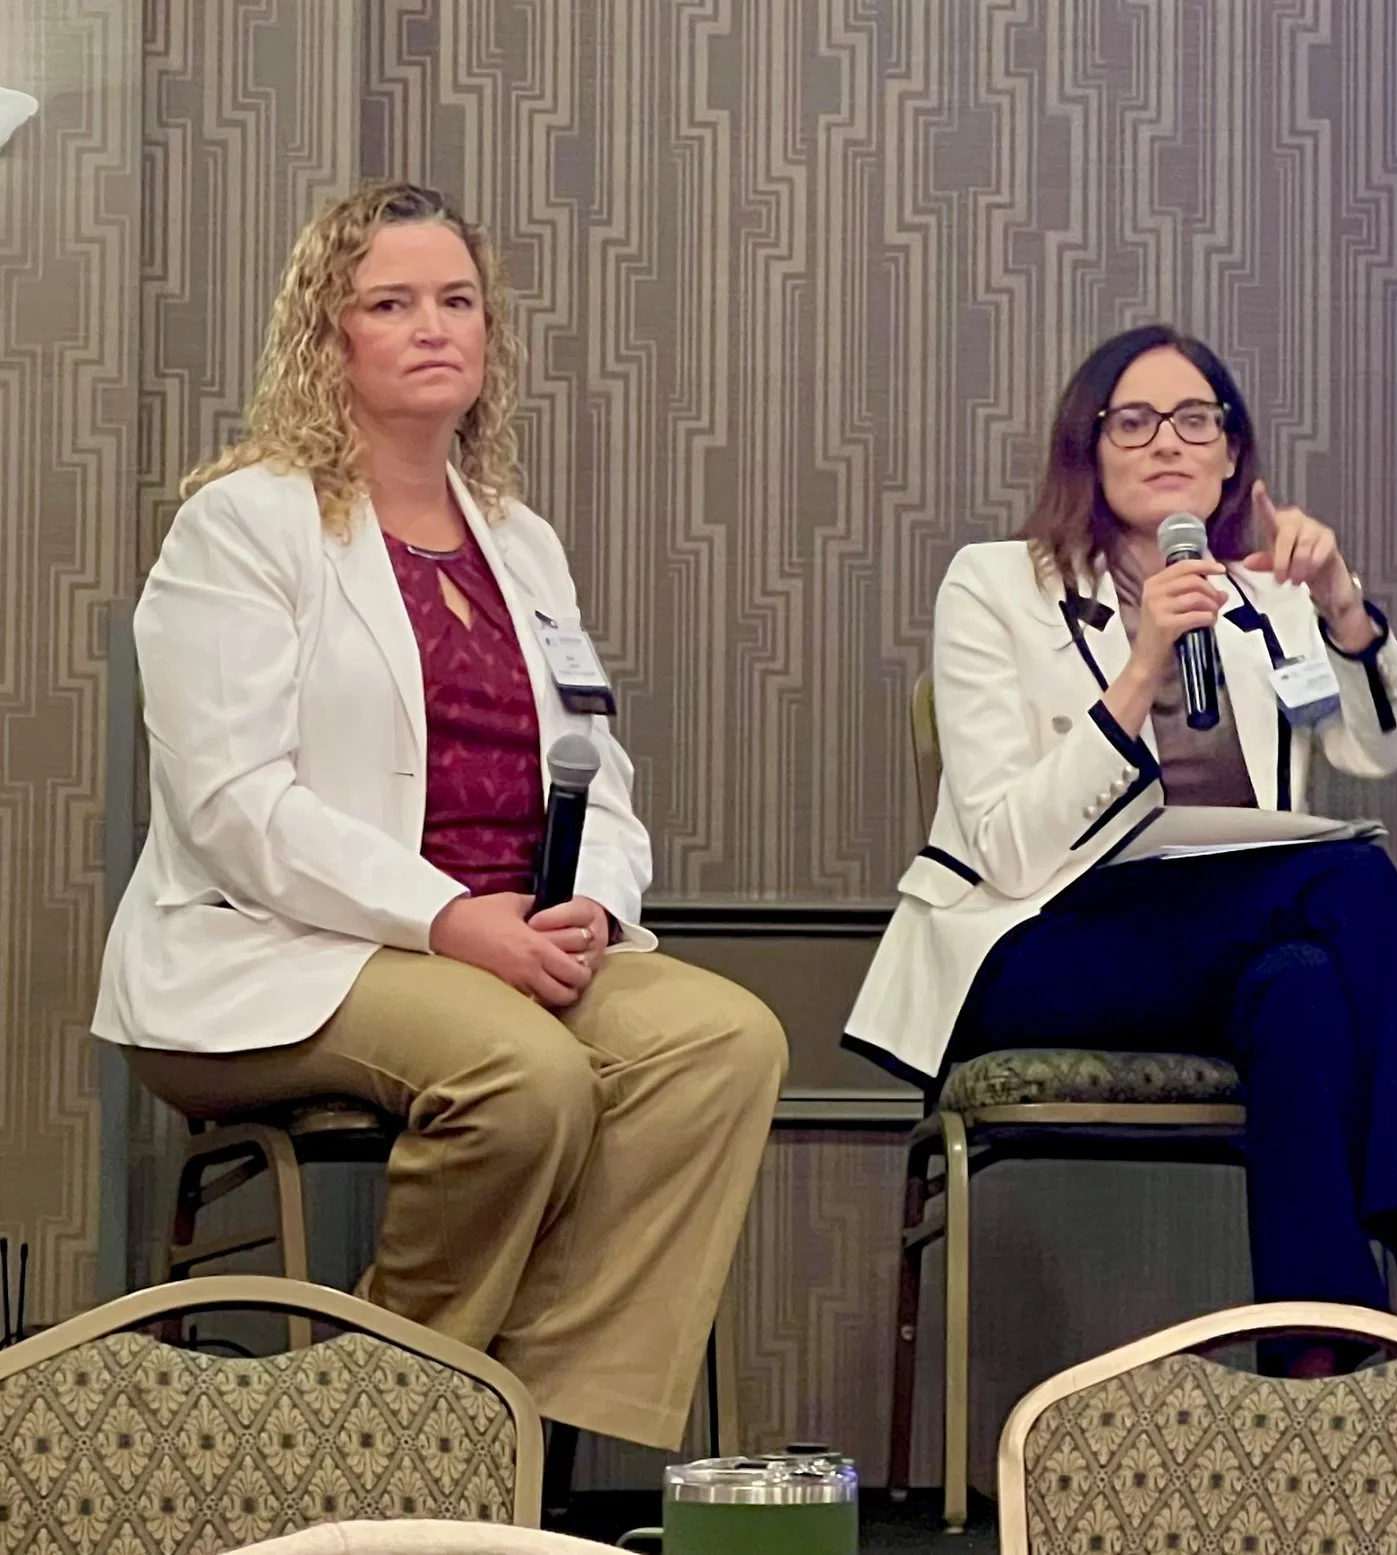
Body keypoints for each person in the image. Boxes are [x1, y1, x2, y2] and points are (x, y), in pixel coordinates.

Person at [93, 181, 787, 1451]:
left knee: (720, 1041)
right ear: (329, 337)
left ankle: (526, 1429)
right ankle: (384, 1429)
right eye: (391, 303)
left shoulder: (521, 542)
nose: (432, 326)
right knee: (522, 1076)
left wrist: (593, 904)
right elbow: (233, 805)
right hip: (285, 947)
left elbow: (597, 771)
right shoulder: (243, 524)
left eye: (457, 301)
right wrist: (453, 921)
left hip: (509, 936)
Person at [846, 324, 1397, 1411]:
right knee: (1349, 883)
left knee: (1303, 985)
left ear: (1232, 451)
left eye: (1195, 419)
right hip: (1035, 944)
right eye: (1134, 421)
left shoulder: (1264, 598)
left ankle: (1316, 1380)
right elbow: (1007, 845)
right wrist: (1140, 666)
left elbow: (1394, 749)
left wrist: (1342, 603)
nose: (1168, 441)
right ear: (1088, 446)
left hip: (1223, 937)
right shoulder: (996, 585)